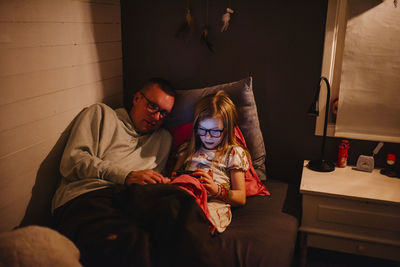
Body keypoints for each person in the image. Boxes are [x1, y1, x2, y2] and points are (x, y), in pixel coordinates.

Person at [52, 78, 219, 267]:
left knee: (179, 202)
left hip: (135, 196)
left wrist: (162, 182)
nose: (157, 117)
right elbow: (72, 161)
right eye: (152, 106)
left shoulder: (163, 139)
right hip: (88, 195)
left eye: (164, 113)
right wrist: (126, 175)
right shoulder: (101, 114)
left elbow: (153, 186)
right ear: (137, 98)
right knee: (130, 243)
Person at [172, 90, 249, 233]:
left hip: (213, 202)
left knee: (198, 219)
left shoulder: (232, 153)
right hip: (185, 196)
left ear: (226, 130)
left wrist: (216, 190)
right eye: (202, 130)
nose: (207, 137)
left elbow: (241, 197)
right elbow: (174, 176)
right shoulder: (187, 149)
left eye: (215, 131)